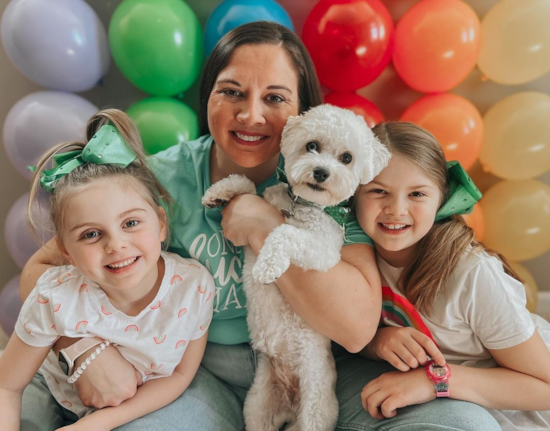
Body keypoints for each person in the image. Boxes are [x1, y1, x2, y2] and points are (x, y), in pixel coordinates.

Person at [20, 22, 500, 430]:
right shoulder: (158, 180)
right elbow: (42, 269)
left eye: (275, 97)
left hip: (323, 365)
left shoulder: (336, 181)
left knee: (464, 423)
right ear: (207, 94)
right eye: (231, 92)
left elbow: (355, 329)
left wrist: (265, 226)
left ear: (302, 113)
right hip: (193, 374)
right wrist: (81, 347)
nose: (251, 115)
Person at [3, 109, 214, 430]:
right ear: (66, 252)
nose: (116, 245)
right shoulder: (54, 295)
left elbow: (180, 375)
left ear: (159, 223)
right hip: (45, 384)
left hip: (127, 405)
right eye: (91, 234)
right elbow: (7, 386)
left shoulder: (194, 287)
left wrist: (96, 424)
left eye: (130, 223)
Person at [355, 121, 550, 430]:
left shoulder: (471, 274)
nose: (396, 209)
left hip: (511, 396)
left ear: (441, 199)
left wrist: (435, 381)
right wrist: (379, 340)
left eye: (417, 194)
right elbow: (343, 337)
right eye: (378, 191)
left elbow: (545, 388)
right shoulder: (353, 254)